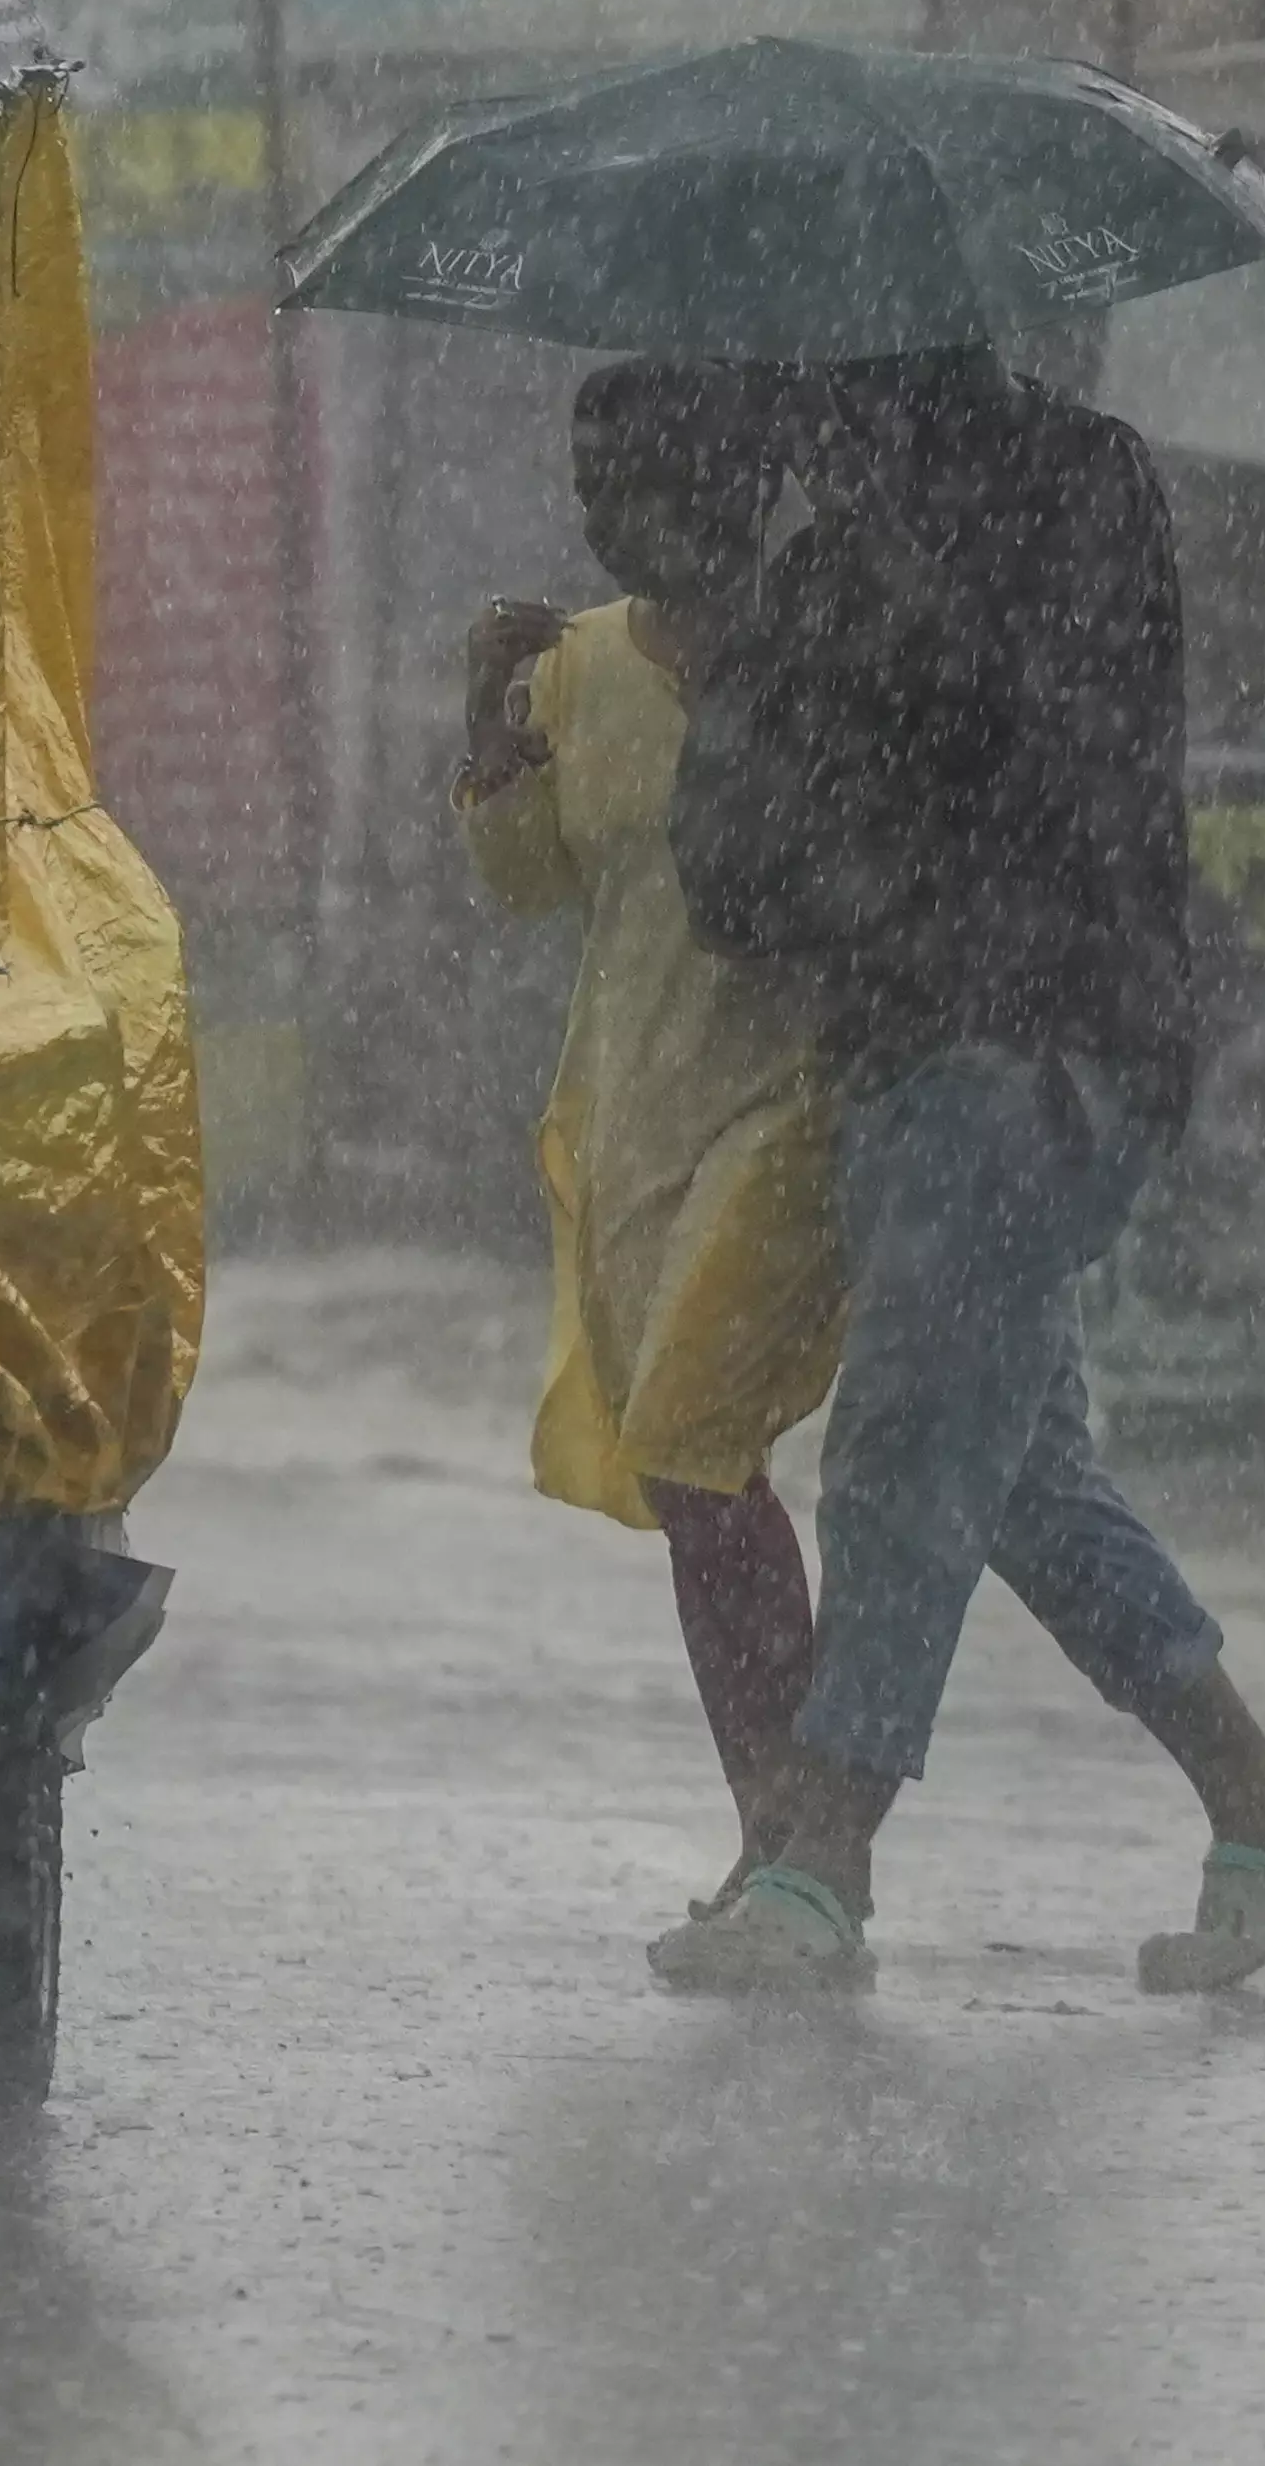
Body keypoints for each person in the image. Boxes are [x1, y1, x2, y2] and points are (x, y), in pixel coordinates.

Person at [645, 344, 1265, 1996]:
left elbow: (989, 754)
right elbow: (755, 852)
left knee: (903, 1444)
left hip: (1014, 1044)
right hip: (952, 1047)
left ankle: (820, 1853)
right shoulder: (879, 532)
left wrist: (807, 661)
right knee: (1021, 1474)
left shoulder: (1021, 501)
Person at [454, 360, 842, 1914]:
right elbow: (525, 879)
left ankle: (802, 1834)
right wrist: (487, 716)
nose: (622, 520)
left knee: (690, 1433)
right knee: (698, 1479)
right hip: (628, 1113)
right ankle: (784, 1825)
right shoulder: (580, 668)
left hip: (794, 1101)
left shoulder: (825, 649)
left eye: (654, 486)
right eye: (600, 488)